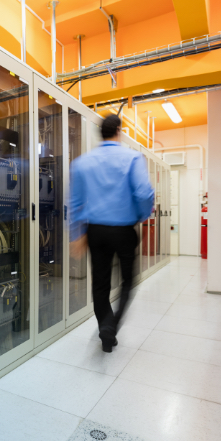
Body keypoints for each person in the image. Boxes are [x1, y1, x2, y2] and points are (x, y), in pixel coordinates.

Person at [69, 114, 154, 352]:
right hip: (124, 230)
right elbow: (144, 193)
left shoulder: (82, 163)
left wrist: (77, 234)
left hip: (95, 232)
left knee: (100, 284)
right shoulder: (133, 158)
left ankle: (105, 325)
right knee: (128, 281)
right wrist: (141, 215)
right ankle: (112, 324)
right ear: (119, 130)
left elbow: (73, 203)